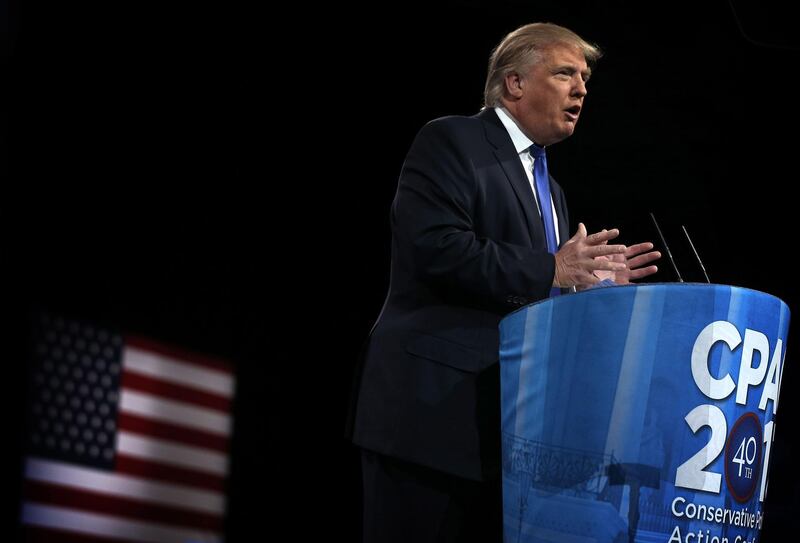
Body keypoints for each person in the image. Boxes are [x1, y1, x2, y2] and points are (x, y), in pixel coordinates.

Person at [346, 22, 661, 542]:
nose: (582, 88)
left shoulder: (552, 188)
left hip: (506, 432)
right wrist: (553, 269)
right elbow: (435, 248)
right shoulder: (452, 139)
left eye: (584, 77)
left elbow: (536, 293)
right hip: (428, 417)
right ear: (515, 83)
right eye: (565, 73)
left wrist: (586, 288)